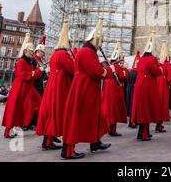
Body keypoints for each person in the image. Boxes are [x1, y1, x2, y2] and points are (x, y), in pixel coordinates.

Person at [61, 17, 122, 160]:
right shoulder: (87, 52)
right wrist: (110, 70)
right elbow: (96, 71)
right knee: (77, 119)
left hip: (88, 89)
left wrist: (104, 66)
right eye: (100, 42)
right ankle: (68, 151)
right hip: (84, 89)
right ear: (96, 39)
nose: (101, 46)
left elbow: (94, 67)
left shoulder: (89, 52)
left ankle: (95, 142)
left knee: (94, 116)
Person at [36, 22, 74, 151]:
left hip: (53, 85)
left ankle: (48, 140)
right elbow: (73, 69)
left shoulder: (55, 54)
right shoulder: (63, 54)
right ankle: (47, 142)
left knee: (51, 113)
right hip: (60, 86)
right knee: (55, 113)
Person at [1, 33, 43, 138]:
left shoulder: (28, 62)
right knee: (15, 109)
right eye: (31, 51)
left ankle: (35, 125)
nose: (33, 54)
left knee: (35, 105)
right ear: (25, 51)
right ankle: (9, 130)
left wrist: (39, 71)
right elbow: (23, 76)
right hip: (20, 89)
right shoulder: (20, 62)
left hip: (28, 88)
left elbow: (31, 75)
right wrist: (38, 71)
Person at [131, 32, 163, 142]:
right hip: (148, 86)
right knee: (147, 109)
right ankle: (143, 134)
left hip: (140, 85)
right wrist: (160, 67)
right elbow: (157, 72)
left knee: (142, 109)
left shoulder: (141, 59)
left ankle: (144, 133)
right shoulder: (151, 60)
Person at [101, 42, 129, 137]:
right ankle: (112, 130)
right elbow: (123, 76)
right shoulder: (116, 67)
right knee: (114, 110)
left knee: (110, 109)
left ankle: (111, 128)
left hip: (108, 88)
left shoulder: (110, 66)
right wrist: (125, 69)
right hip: (114, 89)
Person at [156, 41, 171, 133]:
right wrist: (169, 83)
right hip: (163, 85)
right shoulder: (167, 64)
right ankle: (159, 125)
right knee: (162, 105)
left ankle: (157, 124)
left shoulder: (158, 64)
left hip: (156, 84)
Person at [126, 52, 140, 128]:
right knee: (133, 106)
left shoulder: (131, 71)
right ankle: (133, 121)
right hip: (134, 89)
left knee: (131, 106)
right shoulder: (137, 73)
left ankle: (132, 121)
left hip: (129, 89)